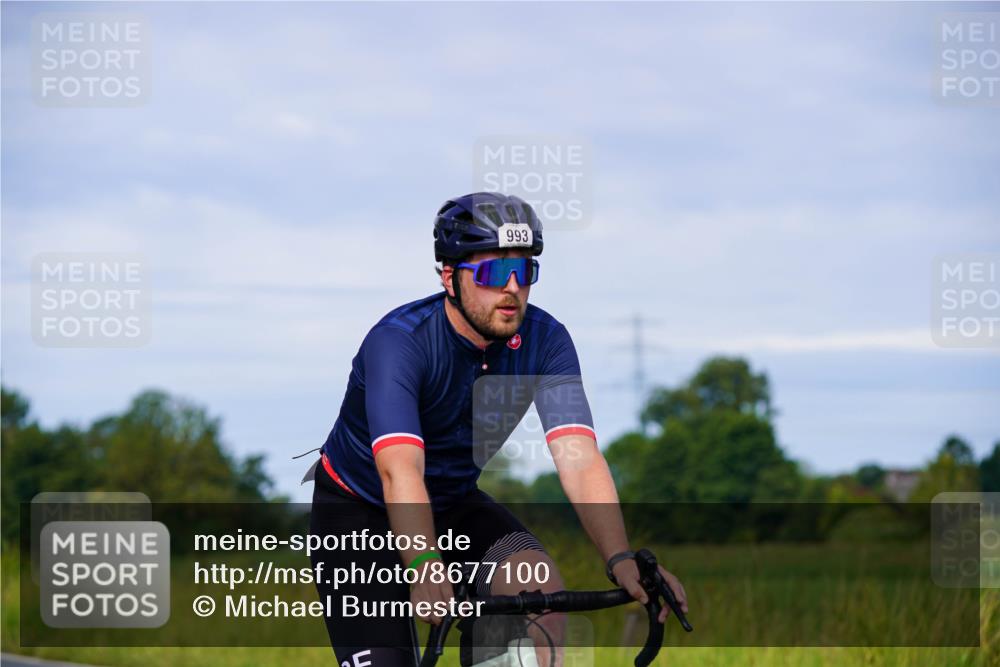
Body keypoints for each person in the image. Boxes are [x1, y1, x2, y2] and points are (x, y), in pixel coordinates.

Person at [306, 192, 687, 667]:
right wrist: (424, 564)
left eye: (524, 272)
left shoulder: (547, 341)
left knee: (541, 601)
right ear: (449, 276)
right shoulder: (399, 342)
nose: (511, 288)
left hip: (450, 503)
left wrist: (620, 558)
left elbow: (580, 458)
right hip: (358, 512)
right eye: (491, 273)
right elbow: (399, 471)